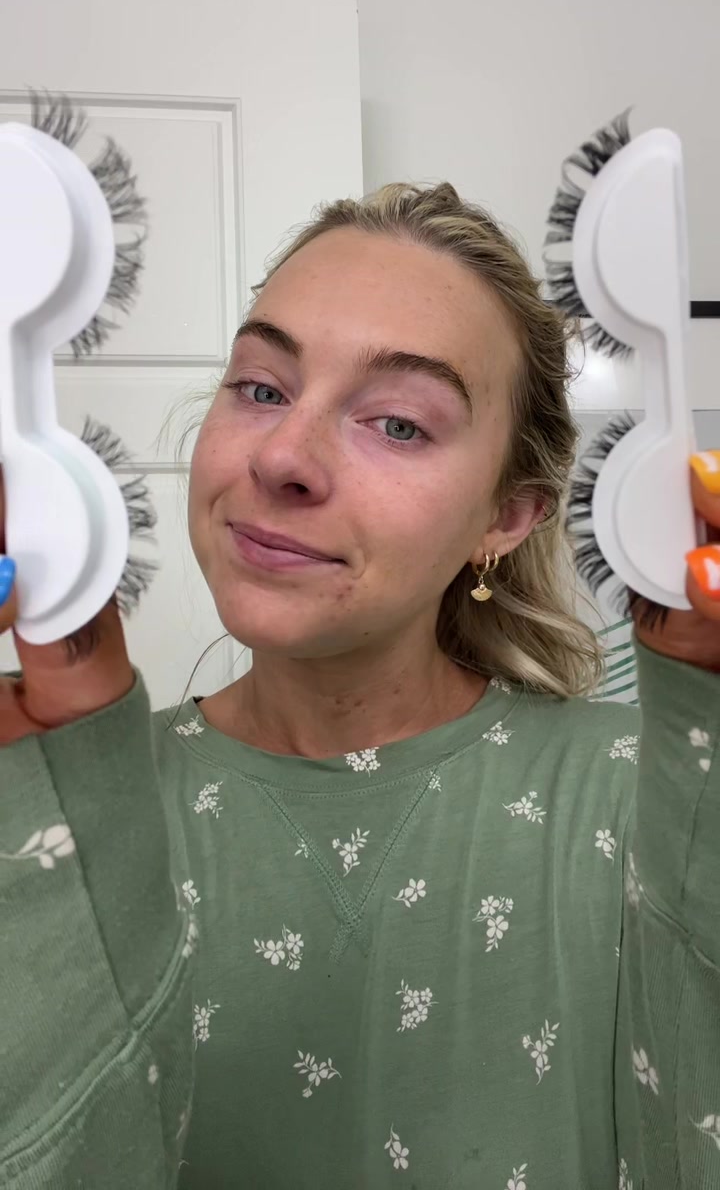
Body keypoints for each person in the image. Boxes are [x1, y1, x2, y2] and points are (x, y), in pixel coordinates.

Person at [1, 182, 719, 1190]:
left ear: (506, 517)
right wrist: (44, 871)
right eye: (261, 388)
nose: (283, 457)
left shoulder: (647, 799)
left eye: (397, 423)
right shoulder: (69, 810)